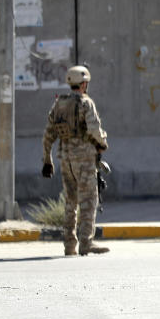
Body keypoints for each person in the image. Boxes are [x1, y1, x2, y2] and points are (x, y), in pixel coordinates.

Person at [41, 65, 109, 256]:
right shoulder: (86, 103)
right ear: (84, 83)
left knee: (71, 201)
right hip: (85, 159)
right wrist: (102, 142)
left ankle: (69, 244)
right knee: (88, 199)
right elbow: (94, 129)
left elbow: (48, 134)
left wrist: (47, 159)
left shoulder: (59, 104)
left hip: (65, 159)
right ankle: (86, 243)